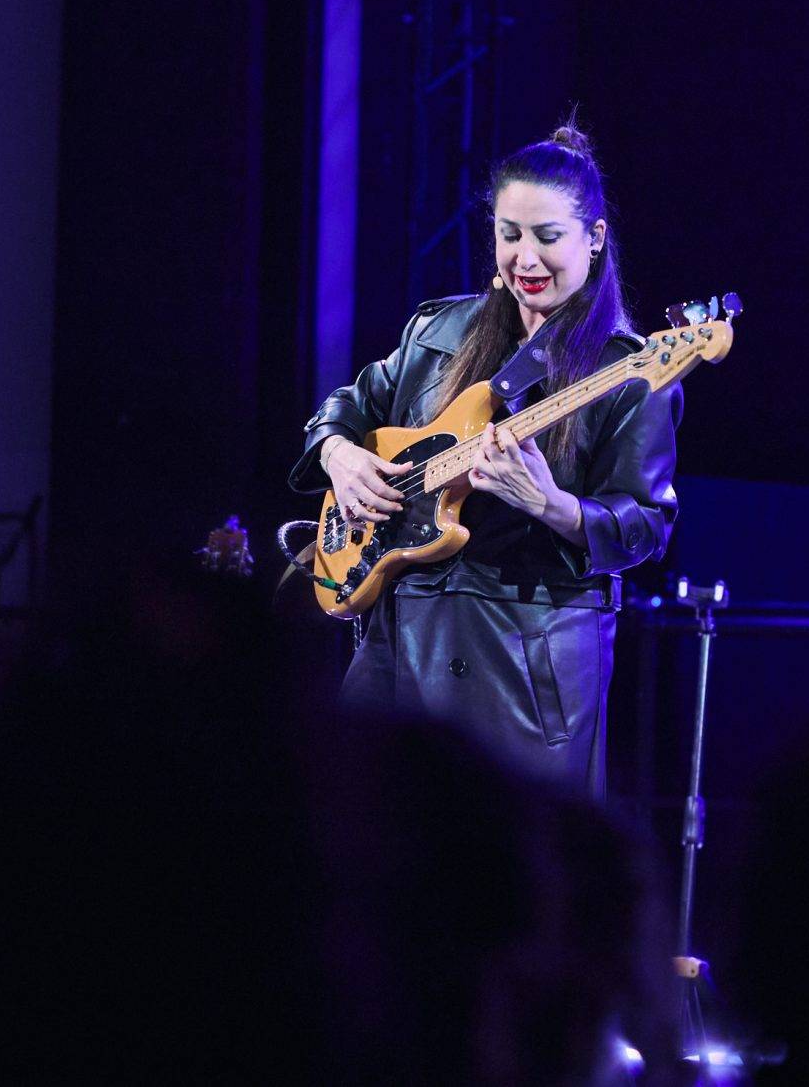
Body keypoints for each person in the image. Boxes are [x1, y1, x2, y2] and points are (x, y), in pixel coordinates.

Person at [289, 119, 680, 795]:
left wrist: (552, 505)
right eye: (510, 234)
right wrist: (340, 456)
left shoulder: (631, 371)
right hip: (400, 639)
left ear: (594, 237)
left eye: (548, 237)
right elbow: (345, 409)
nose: (526, 258)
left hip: (527, 656)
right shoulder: (438, 330)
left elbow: (645, 525)